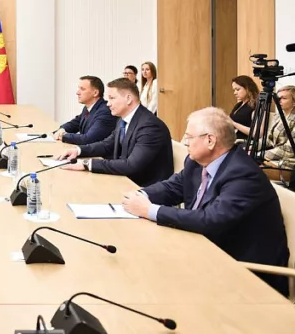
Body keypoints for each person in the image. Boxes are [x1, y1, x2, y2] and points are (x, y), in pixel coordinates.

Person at [121, 107, 289, 297]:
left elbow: (210, 220)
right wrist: (140, 195)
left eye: (189, 137)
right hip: (204, 250)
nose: (185, 142)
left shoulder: (243, 174)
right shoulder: (195, 162)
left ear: (210, 140)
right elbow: (173, 187)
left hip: (244, 271)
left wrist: (150, 210)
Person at [56, 78, 173, 187]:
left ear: (128, 99)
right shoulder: (123, 119)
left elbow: (131, 166)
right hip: (124, 180)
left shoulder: (150, 126)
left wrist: (87, 164)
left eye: (112, 98)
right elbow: (106, 145)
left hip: (143, 188)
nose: (108, 104)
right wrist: (78, 150)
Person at [54, 76, 117, 145]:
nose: (77, 92)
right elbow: (75, 123)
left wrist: (63, 136)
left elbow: (88, 139)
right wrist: (62, 130)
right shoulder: (88, 108)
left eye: (82, 89)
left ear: (95, 93)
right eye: (78, 88)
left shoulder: (105, 112)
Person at [261, 85, 295, 181]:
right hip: (276, 157)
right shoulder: (279, 115)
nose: (279, 101)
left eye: (283, 98)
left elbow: (289, 149)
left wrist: (263, 155)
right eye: (278, 98)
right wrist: (253, 147)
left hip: (289, 162)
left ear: (294, 102)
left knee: (253, 168)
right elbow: (269, 139)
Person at [230, 75, 258, 140]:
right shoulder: (238, 105)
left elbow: (257, 133)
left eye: (237, 89)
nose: (235, 93)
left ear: (247, 88)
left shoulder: (255, 106)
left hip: (244, 142)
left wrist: (234, 124)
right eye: (234, 90)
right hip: (233, 139)